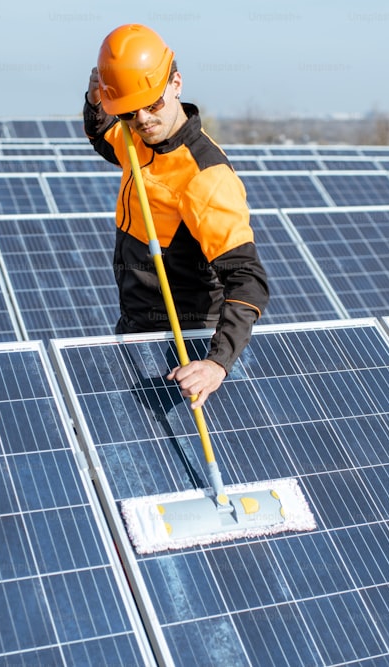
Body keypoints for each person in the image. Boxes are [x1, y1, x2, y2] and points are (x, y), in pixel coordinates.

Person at [83, 23, 269, 410]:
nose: (144, 119)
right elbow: (104, 135)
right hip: (138, 332)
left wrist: (216, 364)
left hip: (186, 344)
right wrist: (95, 96)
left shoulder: (206, 177)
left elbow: (248, 280)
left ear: (176, 83)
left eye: (153, 105)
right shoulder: (136, 138)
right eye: (131, 112)